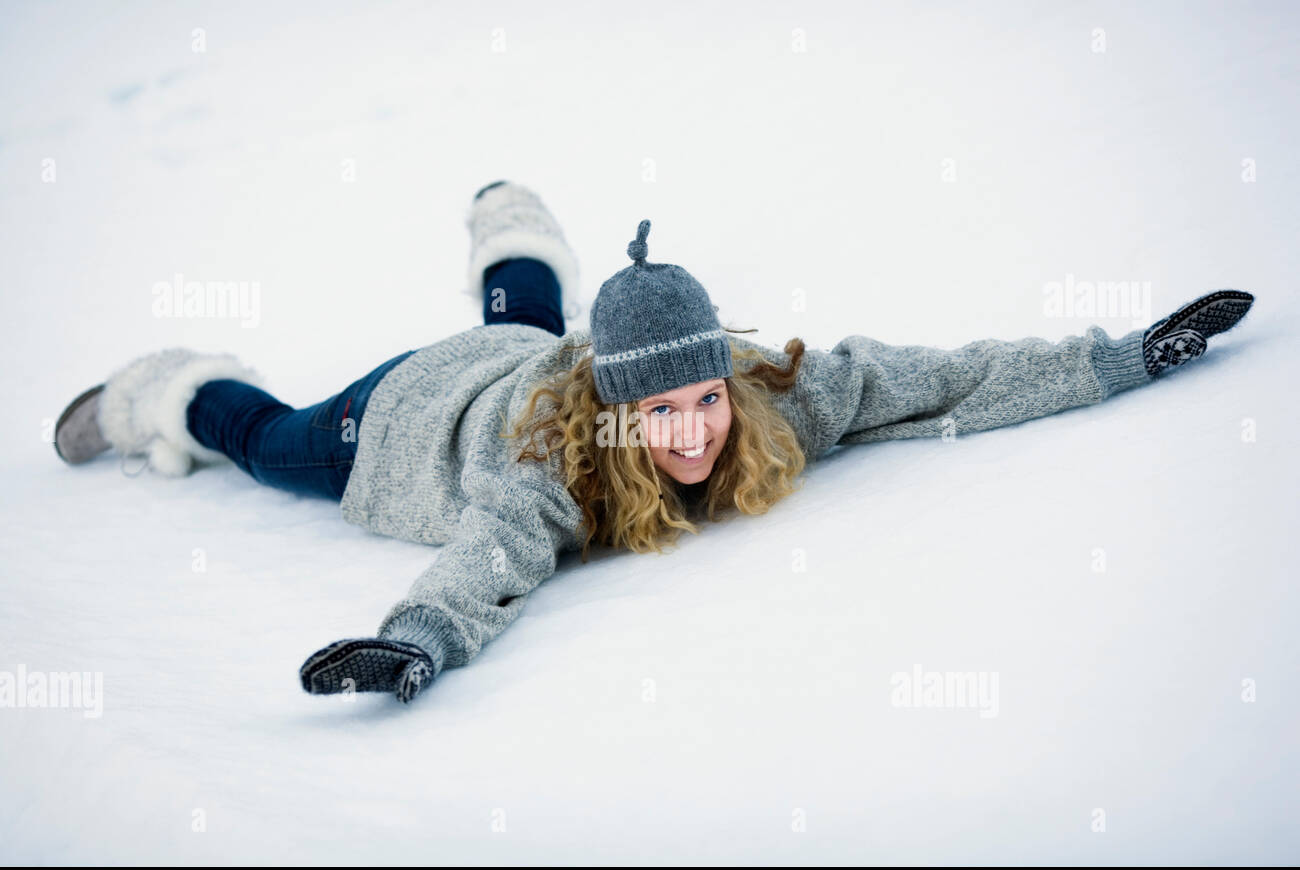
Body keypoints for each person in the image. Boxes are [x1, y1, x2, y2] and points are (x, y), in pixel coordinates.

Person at [51, 181, 1256, 705]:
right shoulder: (554, 469)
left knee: (522, 322)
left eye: (705, 401)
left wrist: (1118, 356)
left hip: (524, 358)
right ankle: (166, 389)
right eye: (660, 413)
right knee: (267, 441)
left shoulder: (769, 398)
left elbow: (940, 374)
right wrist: (408, 645)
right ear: (617, 413)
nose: (691, 431)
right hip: (394, 426)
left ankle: (512, 224)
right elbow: (489, 558)